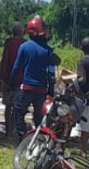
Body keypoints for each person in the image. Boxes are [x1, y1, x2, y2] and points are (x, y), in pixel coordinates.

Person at [11, 16, 61, 144]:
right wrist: (50, 92)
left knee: (18, 113)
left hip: (26, 88)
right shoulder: (48, 50)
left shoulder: (24, 47)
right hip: (41, 90)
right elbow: (51, 73)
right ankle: (38, 143)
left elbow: (16, 68)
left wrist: (11, 83)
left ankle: (22, 140)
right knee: (39, 119)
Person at [0, 22, 25, 140]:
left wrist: (1, 77)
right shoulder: (25, 43)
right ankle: (12, 129)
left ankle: (7, 131)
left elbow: (4, 60)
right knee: (17, 106)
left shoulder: (8, 42)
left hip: (8, 78)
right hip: (20, 79)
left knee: (8, 105)